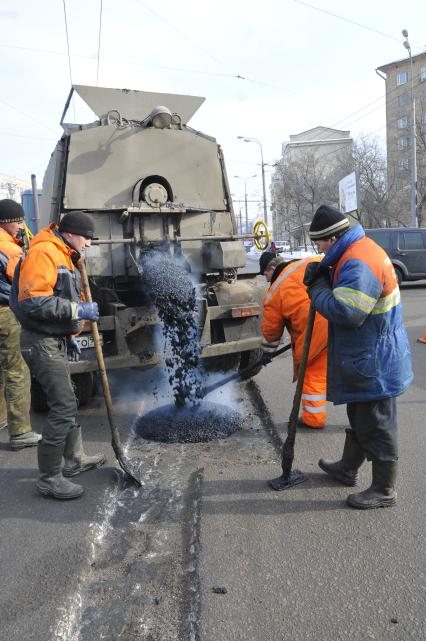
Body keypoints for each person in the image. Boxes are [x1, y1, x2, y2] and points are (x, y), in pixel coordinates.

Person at [304, 205, 413, 509]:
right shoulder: (354, 252)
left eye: (320, 243)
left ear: (334, 237)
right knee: (361, 415)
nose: (318, 249)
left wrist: (318, 288)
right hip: (368, 355)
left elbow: (347, 312)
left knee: (377, 424)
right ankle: (347, 468)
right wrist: (326, 273)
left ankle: (384, 490)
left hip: (375, 360)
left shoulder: (358, 261)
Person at [11, 211, 106, 499]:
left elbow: (58, 294)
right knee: (62, 406)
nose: (89, 244)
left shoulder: (65, 255)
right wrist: (78, 311)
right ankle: (49, 477)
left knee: (68, 400)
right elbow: (34, 302)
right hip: (41, 341)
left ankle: (74, 460)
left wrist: (70, 333)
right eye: (87, 237)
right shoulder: (44, 253)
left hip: (55, 339)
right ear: (70, 234)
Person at [259, 250, 328, 429]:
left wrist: (267, 353)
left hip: (318, 331)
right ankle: (364, 419)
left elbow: (272, 330)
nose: (266, 279)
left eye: (265, 274)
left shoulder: (275, 291)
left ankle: (314, 419)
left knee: (313, 374)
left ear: (272, 268)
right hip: (342, 317)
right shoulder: (309, 262)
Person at [0, 199, 41, 449]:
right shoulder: (9, 250)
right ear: (5, 222)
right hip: (4, 313)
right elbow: (25, 279)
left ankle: (1, 417)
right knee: (16, 370)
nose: (20, 226)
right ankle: (20, 433)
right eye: (17, 221)